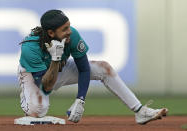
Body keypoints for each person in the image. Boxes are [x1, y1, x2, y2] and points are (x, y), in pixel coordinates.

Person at [17, 9, 168, 124]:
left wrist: (80, 99)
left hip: (61, 70)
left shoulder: (72, 35)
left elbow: (84, 69)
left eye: (69, 26)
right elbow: (47, 87)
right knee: (37, 112)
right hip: (35, 77)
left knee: (103, 68)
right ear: (50, 32)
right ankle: (31, 109)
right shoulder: (30, 48)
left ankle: (140, 111)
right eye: (64, 29)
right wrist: (55, 59)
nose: (69, 31)